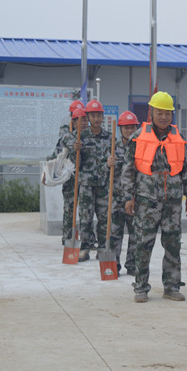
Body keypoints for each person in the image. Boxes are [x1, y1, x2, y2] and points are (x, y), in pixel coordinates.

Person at [122, 91, 187, 303]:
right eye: (160, 113)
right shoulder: (137, 137)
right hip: (146, 200)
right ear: (151, 113)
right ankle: (140, 287)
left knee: (173, 244)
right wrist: (128, 197)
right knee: (143, 244)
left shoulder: (179, 139)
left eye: (167, 113)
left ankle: (171, 287)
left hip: (173, 201)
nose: (163, 117)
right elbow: (128, 169)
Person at [76, 99, 112, 262]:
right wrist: (75, 150)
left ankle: (102, 248)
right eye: (93, 116)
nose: (96, 119)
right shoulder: (81, 137)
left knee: (104, 217)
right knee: (85, 217)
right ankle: (85, 248)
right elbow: (74, 162)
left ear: (103, 117)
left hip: (104, 184)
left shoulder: (110, 137)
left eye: (99, 115)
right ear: (88, 118)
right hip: (86, 184)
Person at [107, 110, 139, 275]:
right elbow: (101, 171)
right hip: (117, 198)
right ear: (120, 129)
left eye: (132, 127)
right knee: (115, 233)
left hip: (134, 198)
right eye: (126, 127)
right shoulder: (113, 147)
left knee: (135, 233)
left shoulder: (140, 146)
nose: (129, 130)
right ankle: (114, 265)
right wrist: (107, 164)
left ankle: (132, 265)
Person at [50, 102, 87, 245]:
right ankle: (67, 237)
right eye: (77, 117)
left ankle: (85, 239)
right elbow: (62, 146)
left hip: (85, 176)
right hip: (70, 176)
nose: (81, 122)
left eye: (83, 118)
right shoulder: (65, 132)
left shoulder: (88, 134)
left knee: (85, 210)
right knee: (70, 207)